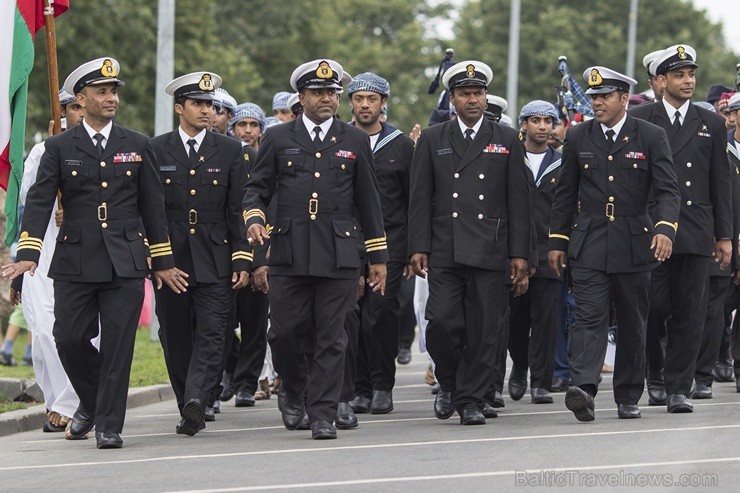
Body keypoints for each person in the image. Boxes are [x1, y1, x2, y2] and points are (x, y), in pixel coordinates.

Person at [1, 57, 185, 449]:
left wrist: (164, 261)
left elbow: (153, 207)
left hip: (125, 261)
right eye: (101, 91)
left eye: (113, 91)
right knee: (68, 337)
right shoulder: (58, 146)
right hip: (76, 260)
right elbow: (38, 203)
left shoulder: (137, 144)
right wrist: (30, 252)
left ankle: (108, 425)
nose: (110, 97)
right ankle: (91, 401)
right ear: (80, 100)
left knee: (119, 345)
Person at [243, 58, 388, 440]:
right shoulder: (278, 137)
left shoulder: (354, 139)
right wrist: (254, 219)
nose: (327, 99)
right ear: (301, 97)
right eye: (318, 92)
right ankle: (293, 389)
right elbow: (256, 188)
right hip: (289, 250)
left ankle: (322, 413)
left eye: (333, 93)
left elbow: (369, 203)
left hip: (339, 252)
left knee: (332, 334)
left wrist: (376, 259)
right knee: (285, 332)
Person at [549, 65, 680, 422]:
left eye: (605, 96)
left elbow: (669, 189)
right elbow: (565, 193)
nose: (597, 103)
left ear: (624, 98)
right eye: (593, 97)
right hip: (589, 241)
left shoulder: (650, 135)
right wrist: (557, 241)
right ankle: (584, 389)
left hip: (635, 241)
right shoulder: (578, 136)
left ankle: (627, 394)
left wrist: (665, 229)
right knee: (588, 316)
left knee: (632, 321)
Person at [408, 60, 531, 425]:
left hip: (490, 248)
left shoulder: (506, 138)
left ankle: (471, 400)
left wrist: (520, 253)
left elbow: (519, 200)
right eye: (465, 94)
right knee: (443, 324)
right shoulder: (433, 139)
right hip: (445, 248)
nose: (473, 100)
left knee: (483, 331)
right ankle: (449, 383)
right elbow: (419, 197)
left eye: (478, 93)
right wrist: (418, 246)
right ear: (452, 98)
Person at [631, 45, 733, 413]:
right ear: (660, 81)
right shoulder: (640, 118)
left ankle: (678, 387)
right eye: (679, 75)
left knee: (691, 311)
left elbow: (720, 183)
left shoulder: (713, 124)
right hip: (651, 229)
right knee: (655, 307)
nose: (688, 80)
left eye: (691, 74)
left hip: (695, 229)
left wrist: (725, 236)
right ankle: (654, 374)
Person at [150, 72, 250, 435]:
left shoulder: (230, 150)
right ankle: (186, 402)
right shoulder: (156, 149)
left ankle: (197, 398)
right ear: (180, 108)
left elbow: (238, 207)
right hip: (171, 258)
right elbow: (150, 208)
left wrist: (242, 257)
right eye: (198, 104)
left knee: (213, 332)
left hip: (215, 255)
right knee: (175, 335)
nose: (207, 110)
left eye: (210, 104)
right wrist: (160, 260)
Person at [15, 88, 90, 433]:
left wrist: (73, 209)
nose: (78, 113)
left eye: (81, 105)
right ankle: (55, 399)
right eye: (72, 108)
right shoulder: (44, 150)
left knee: (81, 332)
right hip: (44, 254)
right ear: (59, 114)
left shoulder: (102, 148)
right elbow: (29, 199)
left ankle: (73, 404)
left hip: (86, 252)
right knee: (45, 331)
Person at [344, 72, 413, 417]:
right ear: (351, 102)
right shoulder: (340, 138)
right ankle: (360, 387)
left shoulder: (401, 144)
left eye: (372, 99)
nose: (365, 105)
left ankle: (383, 385)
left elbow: (414, 200)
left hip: (391, 241)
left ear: (383, 103)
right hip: (346, 240)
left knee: (381, 312)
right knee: (350, 314)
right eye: (359, 99)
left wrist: (416, 249)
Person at [505, 100, 564, 405]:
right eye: (536, 120)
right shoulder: (511, 158)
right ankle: (520, 365)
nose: (542, 126)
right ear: (523, 124)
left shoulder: (563, 162)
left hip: (550, 251)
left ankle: (541, 381)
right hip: (516, 252)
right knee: (516, 319)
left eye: (548, 121)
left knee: (546, 319)